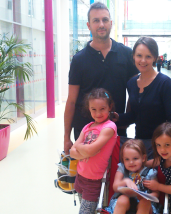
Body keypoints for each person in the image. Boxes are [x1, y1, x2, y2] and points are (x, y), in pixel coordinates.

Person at [64, 2, 139, 155]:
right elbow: (71, 101)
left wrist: (124, 120)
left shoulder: (126, 54)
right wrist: (66, 136)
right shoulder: (79, 60)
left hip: (114, 128)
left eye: (105, 20)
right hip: (86, 132)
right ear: (89, 25)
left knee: (114, 175)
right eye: (96, 20)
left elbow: (134, 94)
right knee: (87, 177)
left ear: (111, 23)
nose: (101, 24)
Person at [114, 37, 171, 171]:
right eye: (139, 55)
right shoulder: (131, 83)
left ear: (154, 58)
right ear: (133, 56)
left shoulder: (165, 83)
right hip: (141, 146)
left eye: (148, 56)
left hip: (162, 148)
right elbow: (136, 114)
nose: (143, 60)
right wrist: (118, 118)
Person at [70, 88, 118, 214]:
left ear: (110, 107)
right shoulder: (88, 126)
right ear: (89, 109)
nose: (98, 113)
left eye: (102, 109)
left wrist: (80, 147)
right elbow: (72, 152)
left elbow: (89, 150)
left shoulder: (109, 127)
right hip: (80, 177)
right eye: (94, 109)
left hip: (94, 181)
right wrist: (84, 149)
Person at [105, 139, 160, 214]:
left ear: (143, 158)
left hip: (143, 205)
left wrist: (147, 196)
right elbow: (115, 187)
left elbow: (156, 193)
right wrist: (125, 181)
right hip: (124, 203)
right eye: (127, 159)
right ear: (123, 160)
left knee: (145, 202)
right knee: (122, 199)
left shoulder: (150, 173)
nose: (131, 162)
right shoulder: (122, 169)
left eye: (135, 158)